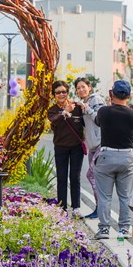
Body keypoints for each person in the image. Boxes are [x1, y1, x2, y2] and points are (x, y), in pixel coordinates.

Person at [93, 79, 133, 240]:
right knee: (126, 196)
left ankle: (104, 229)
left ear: (111, 94)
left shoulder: (104, 112)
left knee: (105, 196)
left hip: (107, 156)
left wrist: (109, 102)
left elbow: (98, 122)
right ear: (128, 96)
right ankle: (123, 229)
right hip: (127, 156)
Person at [47, 80, 85, 215]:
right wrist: (65, 112)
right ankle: (62, 208)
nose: (61, 94)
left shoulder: (77, 107)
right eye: (58, 92)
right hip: (60, 147)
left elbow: (85, 123)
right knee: (61, 178)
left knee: (75, 177)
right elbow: (54, 121)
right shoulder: (52, 110)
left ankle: (76, 208)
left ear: (68, 92)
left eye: (64, 91)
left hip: (76, 147)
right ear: (54, 95)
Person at [74, 77, 103, 219]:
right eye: (78, 88)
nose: (81, 90)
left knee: (91, 175)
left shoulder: (95, 99)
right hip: (92, 146)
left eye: (83, 87)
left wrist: (88, 109)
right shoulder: (83, 103)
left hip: (101, 145)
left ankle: (101, 208)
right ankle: (100, 208)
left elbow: (100, 119)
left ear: (89, 87)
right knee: (95, 176)